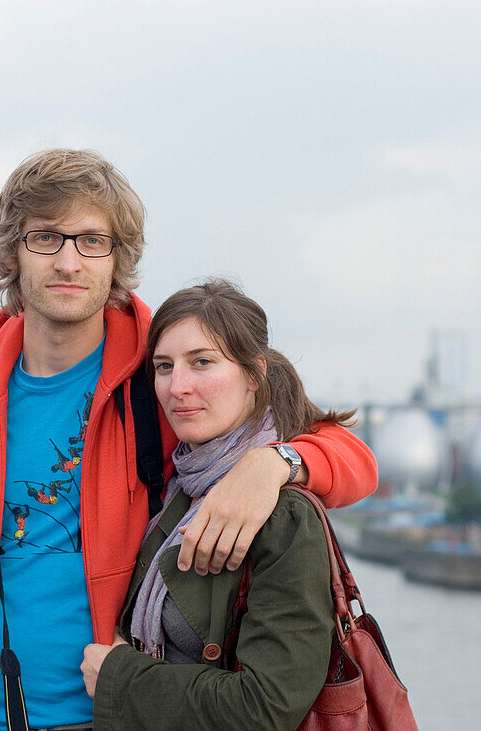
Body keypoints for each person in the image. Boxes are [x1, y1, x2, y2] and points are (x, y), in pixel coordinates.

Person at [0, 149, 376, 731]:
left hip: (115, 713)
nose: (69, 261)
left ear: (117, 258)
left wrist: (273, 465)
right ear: (13, 253)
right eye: (46, 237)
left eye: (92, 240)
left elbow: (353, 459)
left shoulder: (163, 378)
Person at [80, 278, 355, 729]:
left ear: (254, 375)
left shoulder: (283, 516)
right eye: (164, 367)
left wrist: (120, 677)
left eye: (202, 362)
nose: (177, 386)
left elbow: (265, 708)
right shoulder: (181, 483)